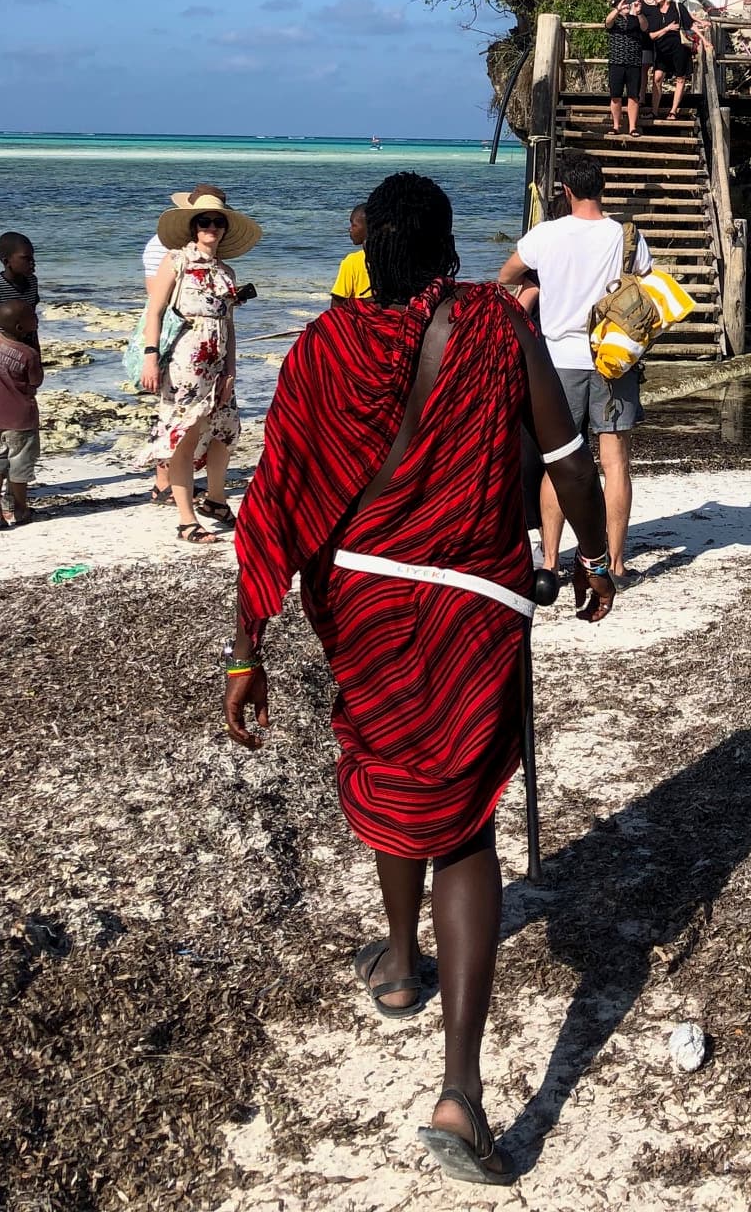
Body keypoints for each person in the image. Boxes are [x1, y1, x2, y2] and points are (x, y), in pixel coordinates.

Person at [227, 172, 613, 1188]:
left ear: (367, 243)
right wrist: (595, 561)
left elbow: (274, 499)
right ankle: (461, 1092)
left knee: (389, 767)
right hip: (471, 601)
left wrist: (246, 647)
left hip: (362, 601)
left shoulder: (324, 349)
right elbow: (568, 459)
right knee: (467, 826)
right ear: (444, 246)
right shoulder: (495, 325)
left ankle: (402, 967)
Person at [498, 150, 650, 581]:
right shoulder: (627, 236)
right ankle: (615, 564)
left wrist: (540, 283)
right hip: (613, 360)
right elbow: (644, 286)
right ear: (602, 189)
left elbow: (506, 276)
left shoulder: (546, 235)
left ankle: (550, 561)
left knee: (559, 462)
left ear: (566, 191)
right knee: (615, 461)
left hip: (559, 361)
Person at [140, 188, 261, 546]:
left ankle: (216, 500)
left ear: (225, 228)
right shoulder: (175, 261)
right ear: (193, 227)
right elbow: (156, 310)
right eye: (204, 221)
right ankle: (185, 518)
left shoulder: (226, 271)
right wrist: (150, 355)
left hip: (218, 362)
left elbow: (230, 326)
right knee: (185, 436)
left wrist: (231, 371)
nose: (211, 227)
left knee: (225, 431)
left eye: (218, 222)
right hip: (184, 362)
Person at [0, 298, 42, 530]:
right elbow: (35, 381)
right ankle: (20, 508)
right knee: (20, 465)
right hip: (20, 418)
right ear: (20, 327)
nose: (36, 318)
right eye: (32, 317)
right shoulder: (28, 353)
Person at [640, 0, 689, 122]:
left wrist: (704, 40)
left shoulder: (677, 8)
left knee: (680, 78)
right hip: (662, 50)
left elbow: (689, 23)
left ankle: (673, 111)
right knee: (657, 77)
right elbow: (651, 35)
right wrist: (667, 29)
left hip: (678, 47)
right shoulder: (654, 12)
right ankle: (654, 111)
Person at [604, 0, 646, 137]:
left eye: (627, 2)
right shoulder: (614, 19)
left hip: (634, 63)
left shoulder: (635, 19)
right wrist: (618, 9)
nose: (626, 5)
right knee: (615, 95)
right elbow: (607, 22)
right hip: (616, 62)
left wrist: (639, 12)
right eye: (623, 3)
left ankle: (632, 127)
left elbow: (645, 27)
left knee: (633, 96)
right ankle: (616, 126)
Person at [0, 233, 40, 325]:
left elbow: (31, 316)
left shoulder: (32, 281)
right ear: (6, 261)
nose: (32, 262)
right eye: (26, 258)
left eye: (32, 257)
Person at [331, 202, 372, 303]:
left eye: (354, 225)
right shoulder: (397, 259)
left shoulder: (351, 262)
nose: (350, 229)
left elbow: (336, 305)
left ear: (368, 228)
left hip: (361, 317)